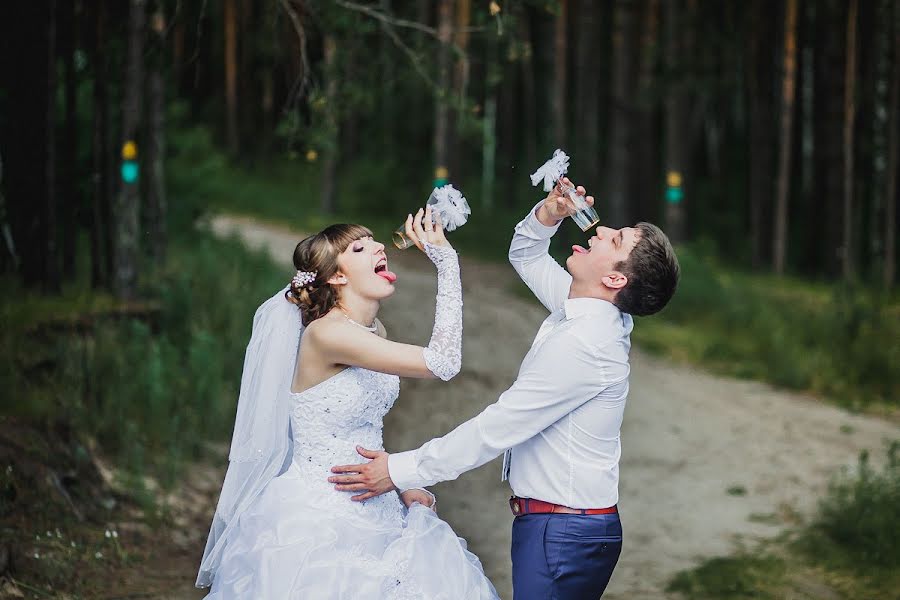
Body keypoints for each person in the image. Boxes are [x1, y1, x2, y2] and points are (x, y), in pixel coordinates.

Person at [329, 179, 680, 599]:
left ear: (614, 279)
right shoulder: (589, 310)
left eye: (615, 238)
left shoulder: (587, 344)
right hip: (561, 526)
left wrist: (399, 470)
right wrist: (549, 213)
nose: (600, 230)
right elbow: (527, 254)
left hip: (563, 533)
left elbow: (497, 428)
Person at [196, 205, 499, 599]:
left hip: (377, 504)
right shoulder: (327, 335)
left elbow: (361, 426)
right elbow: (443, 362)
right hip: (320, 520)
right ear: (337, 276)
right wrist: (446, 262)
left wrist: (399, 483)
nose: (377, 248)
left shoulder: (374, 331)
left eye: (374, 241)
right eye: (359, 249)